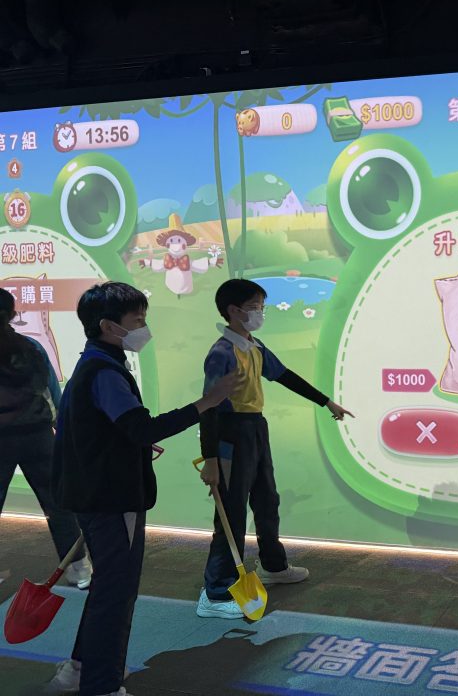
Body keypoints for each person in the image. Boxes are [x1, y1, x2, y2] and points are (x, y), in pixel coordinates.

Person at [49, 281, 238, 696]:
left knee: (107, 587)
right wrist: (207, 402)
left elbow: (107, 429)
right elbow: (141, 427)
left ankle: (80, 669)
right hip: (111, 498)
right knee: (116, 591)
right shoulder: (104, 371)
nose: (143, 328)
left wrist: (127, 443)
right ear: (108, 326)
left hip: (95, 494)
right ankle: (101, 683)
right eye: (137, 321)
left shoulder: (94, 363)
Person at [196, 279, 353, 619]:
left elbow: (285, 375)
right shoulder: (221, 353)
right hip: (230, 434)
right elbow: (207, 407)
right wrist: (211, 459)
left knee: (267, 500)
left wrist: (325, 401)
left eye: (261, 307)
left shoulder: (254, 347)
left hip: (255, 428)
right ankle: (216, 590)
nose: (260, 313)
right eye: (255, 307)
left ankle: (273, 565)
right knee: (231, 514)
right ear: (233, 311)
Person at [0, 288, 91, 588]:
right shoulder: (32, 347)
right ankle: (78, 569)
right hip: (38, 438)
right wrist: (63, 430)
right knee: (58, 506)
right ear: (13, 314)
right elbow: (53, 393)